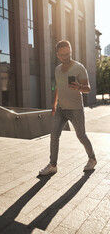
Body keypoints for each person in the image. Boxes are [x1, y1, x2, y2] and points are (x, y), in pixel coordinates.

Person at [39, 40, 97, 175]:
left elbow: (88, 88)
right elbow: (57, 87)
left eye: (68, 53)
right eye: (62, 55)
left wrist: (79, 87)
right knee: (54, 136)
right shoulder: (57, 69)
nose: (66, 57)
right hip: (61, 109)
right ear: (58, 55)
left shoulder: (79, 68)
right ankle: (53, 165)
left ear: (70, 51)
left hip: (76, 109)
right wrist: (54, 104)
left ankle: (92, 158)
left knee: (81, 136)